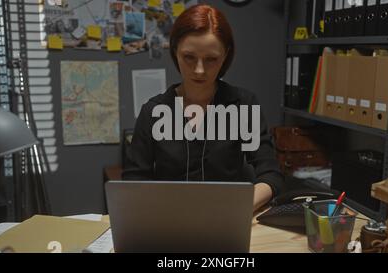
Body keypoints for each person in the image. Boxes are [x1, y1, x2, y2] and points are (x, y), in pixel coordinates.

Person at [123, 4, 288, 211]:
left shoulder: (242, 106)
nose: (199, 70)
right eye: (189, 57)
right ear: (175, 52)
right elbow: (133, 183)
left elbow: (271, 174)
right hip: (169, 223)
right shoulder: (153, 112)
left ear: (225, 56)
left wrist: (239, 207)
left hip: (228, 222)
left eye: (211, 59)